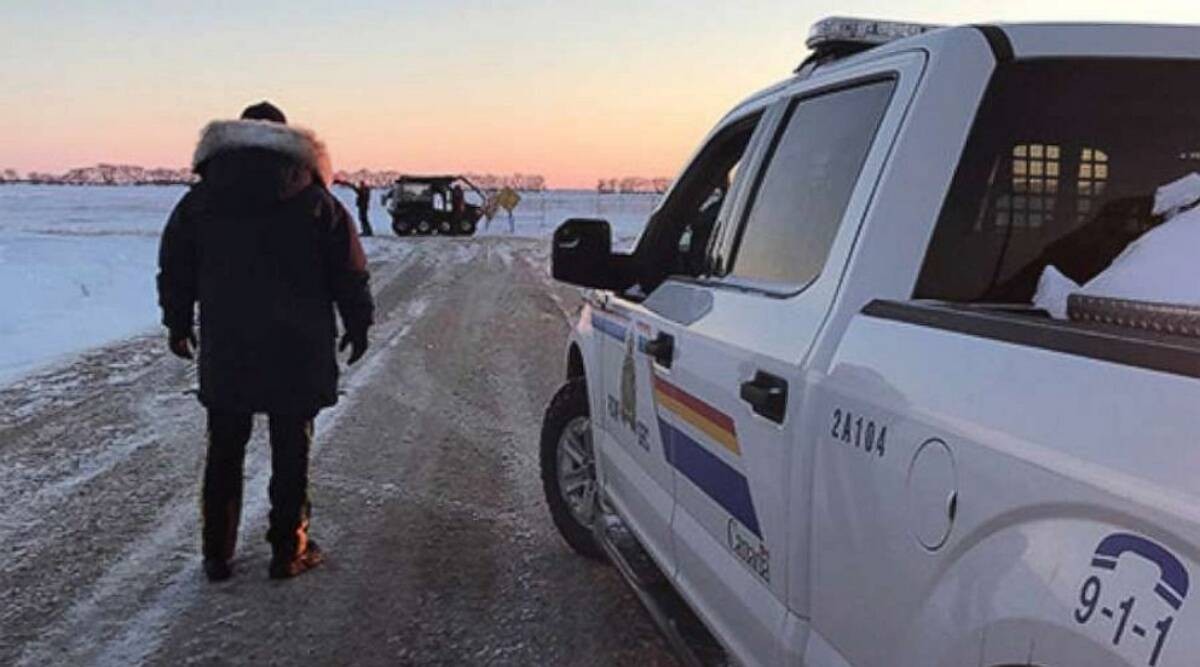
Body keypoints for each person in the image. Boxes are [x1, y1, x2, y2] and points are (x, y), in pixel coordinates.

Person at [157, 101, 374, 582]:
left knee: (224, 447)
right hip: (298, 346)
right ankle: (288, 549)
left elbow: (176, 266)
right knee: (291, 447)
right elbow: (349, 271)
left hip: (228, 344)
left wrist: (178, 322)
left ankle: (217, 553)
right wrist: (358, 324)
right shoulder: (317, 201)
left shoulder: (200, 200)